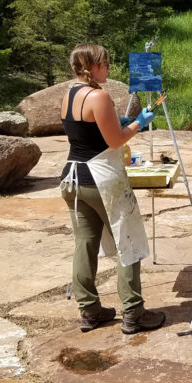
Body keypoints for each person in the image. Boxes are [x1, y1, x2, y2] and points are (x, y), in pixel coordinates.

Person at [59, 43, 164, 334]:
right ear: (91, 67)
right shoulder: (99, 96)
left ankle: (89, 311)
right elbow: (116, 141)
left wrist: (119, 122)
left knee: (85, 244)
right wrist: (138, 125)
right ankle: (134, 313)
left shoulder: (68, 94)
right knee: (127, 240)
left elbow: (87, 130)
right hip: (100, 178)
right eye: (104, 64)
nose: (108, 68)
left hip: (72, 178)